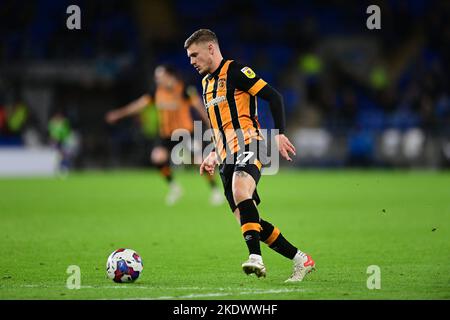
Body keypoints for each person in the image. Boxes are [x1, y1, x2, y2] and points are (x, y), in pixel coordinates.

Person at [184, 29, 315, 282]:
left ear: (211, 48)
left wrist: (278, 134)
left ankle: (255, 258)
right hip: (225, 156)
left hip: (250, 144)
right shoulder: (205, 84)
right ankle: (302, 259)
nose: (191, 61)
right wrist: (212, 153)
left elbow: (273, 96)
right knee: (248, 220)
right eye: (189, 57)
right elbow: (218, 126)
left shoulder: (236, 72)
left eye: (194, 55)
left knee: (240, 189)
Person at [106, 64, 224, 206]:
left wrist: (213, 126)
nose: (157, 80)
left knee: (200, 161)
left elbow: (200, 107)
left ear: (170, 76)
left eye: (160, 77)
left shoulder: (185, 89)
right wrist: (119, 114)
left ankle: (215, 191)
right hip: (166, 134)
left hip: (186, 133)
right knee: (157, 157)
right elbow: (139, 105)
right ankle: (175, 188)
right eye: (156, 77)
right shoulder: (156, 91)